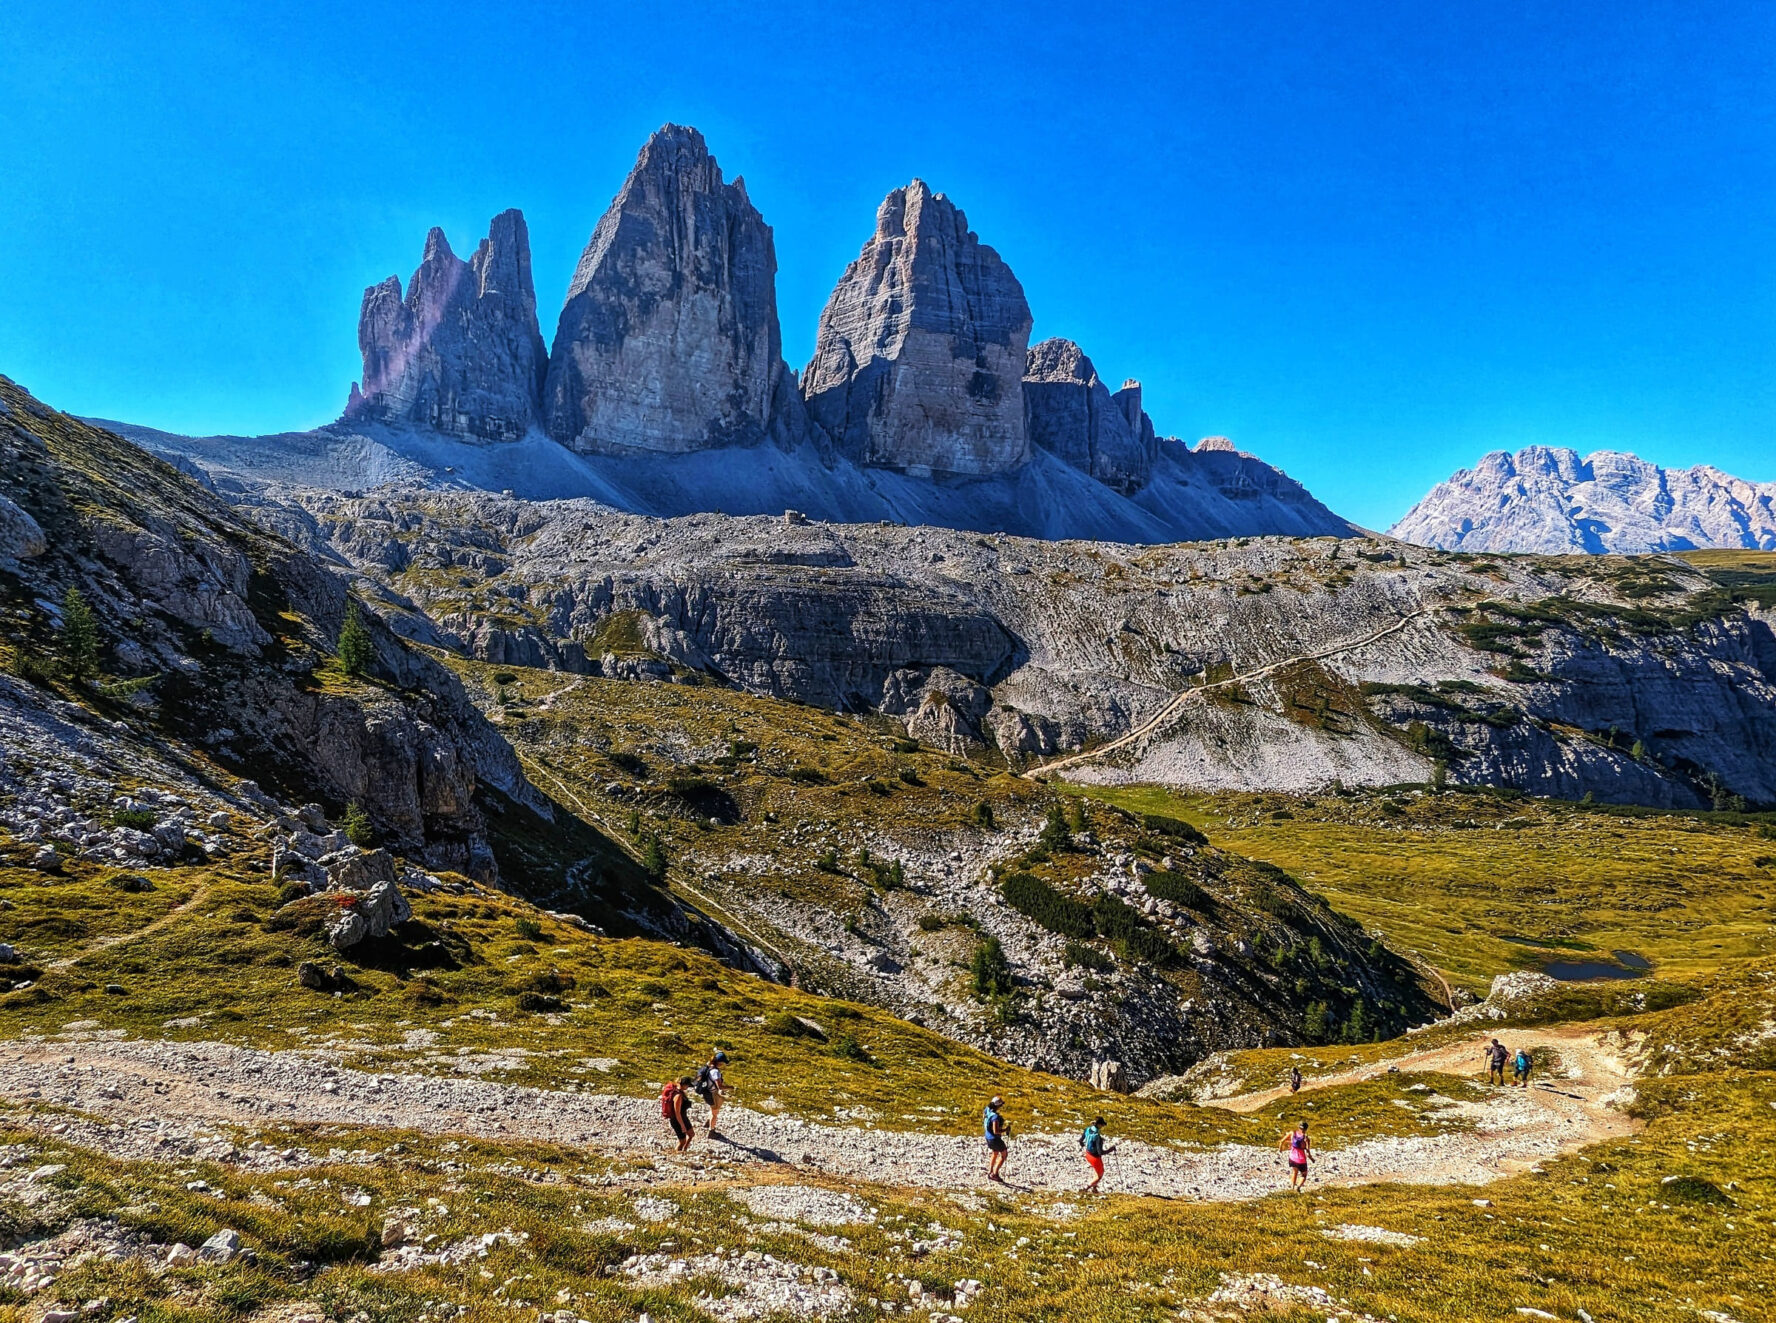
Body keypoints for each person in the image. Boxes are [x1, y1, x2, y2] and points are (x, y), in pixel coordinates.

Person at [696, 1049, 730, 1137]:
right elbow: (720, 1086)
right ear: (719, 1062)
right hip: (712, 1094)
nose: (723, 1065)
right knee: (715, 1113)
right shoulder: (715, 1072)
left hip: (706, 1092)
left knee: (712, 1109)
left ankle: (707, 1123)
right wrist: (730, 1087)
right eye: (722, 1063)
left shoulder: (708, 1067)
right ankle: (711, 1131)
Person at [1080, 1115, 1116, 1194]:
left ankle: (1094, 1189)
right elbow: (1100, 1152)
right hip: (1095, 1157)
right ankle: (1086, 1187)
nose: (1102, 1126)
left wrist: (1084, 1147)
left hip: (1087, 1154)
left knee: (1096, 1170)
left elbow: (1080, 1141)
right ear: (1099, 1125)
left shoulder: (1087, 1129)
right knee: (1100, 1174)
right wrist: (1111, 1149)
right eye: (1102, 1125)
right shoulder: (1097, 1137)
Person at [661, 1074, 695, 1152]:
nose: (688, 1088)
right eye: (688, 1086)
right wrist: (682, 1126)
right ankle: (677, 1153)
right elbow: (677, 1113)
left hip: (684, 1117)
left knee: (691, 1134)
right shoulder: (678, 1096)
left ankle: (684, 1150)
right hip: (677, 1120)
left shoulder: (680, 1091)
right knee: (682, 1141)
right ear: (684, 1085)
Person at [1279, 1119, 1314, 1191]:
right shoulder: (1306, 1138)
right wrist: (1312, 1159)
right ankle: (1298, 1187)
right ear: (1306, 1129)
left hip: (1292, 1157)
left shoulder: (1292, 1133)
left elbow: (1282, 1141)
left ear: (1299, 1127)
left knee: (1295, 1172)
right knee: (1304, 1174)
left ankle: (1292, 1188)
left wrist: (1280, 1150)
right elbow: (1307, 1151)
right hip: (1301, 1159)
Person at [983, 1096, 1010, 1182]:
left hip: (988, 1136)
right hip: (995, 1138)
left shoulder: (987, 1109)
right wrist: (1005, 1130)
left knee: (994, 1153)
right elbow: (996, 1131)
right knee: (1004, 1154)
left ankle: (990, 1171)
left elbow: (984, 1116)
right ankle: (994, 1174)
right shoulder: (995, 1117)